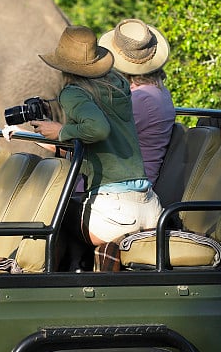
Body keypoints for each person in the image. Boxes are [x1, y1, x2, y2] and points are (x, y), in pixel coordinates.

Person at [32, 25, 162, 246]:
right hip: (150, 207)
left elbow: (99, 128)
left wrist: (60, 131)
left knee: (48, 221)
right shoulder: (119, 85)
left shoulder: (72, 92)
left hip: (113, 214)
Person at [99, 18, 175, 185]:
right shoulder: (156, 92)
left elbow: (97, 136)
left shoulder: (141, 99)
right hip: (127, 177)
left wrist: (56, 134)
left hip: (126, 183)